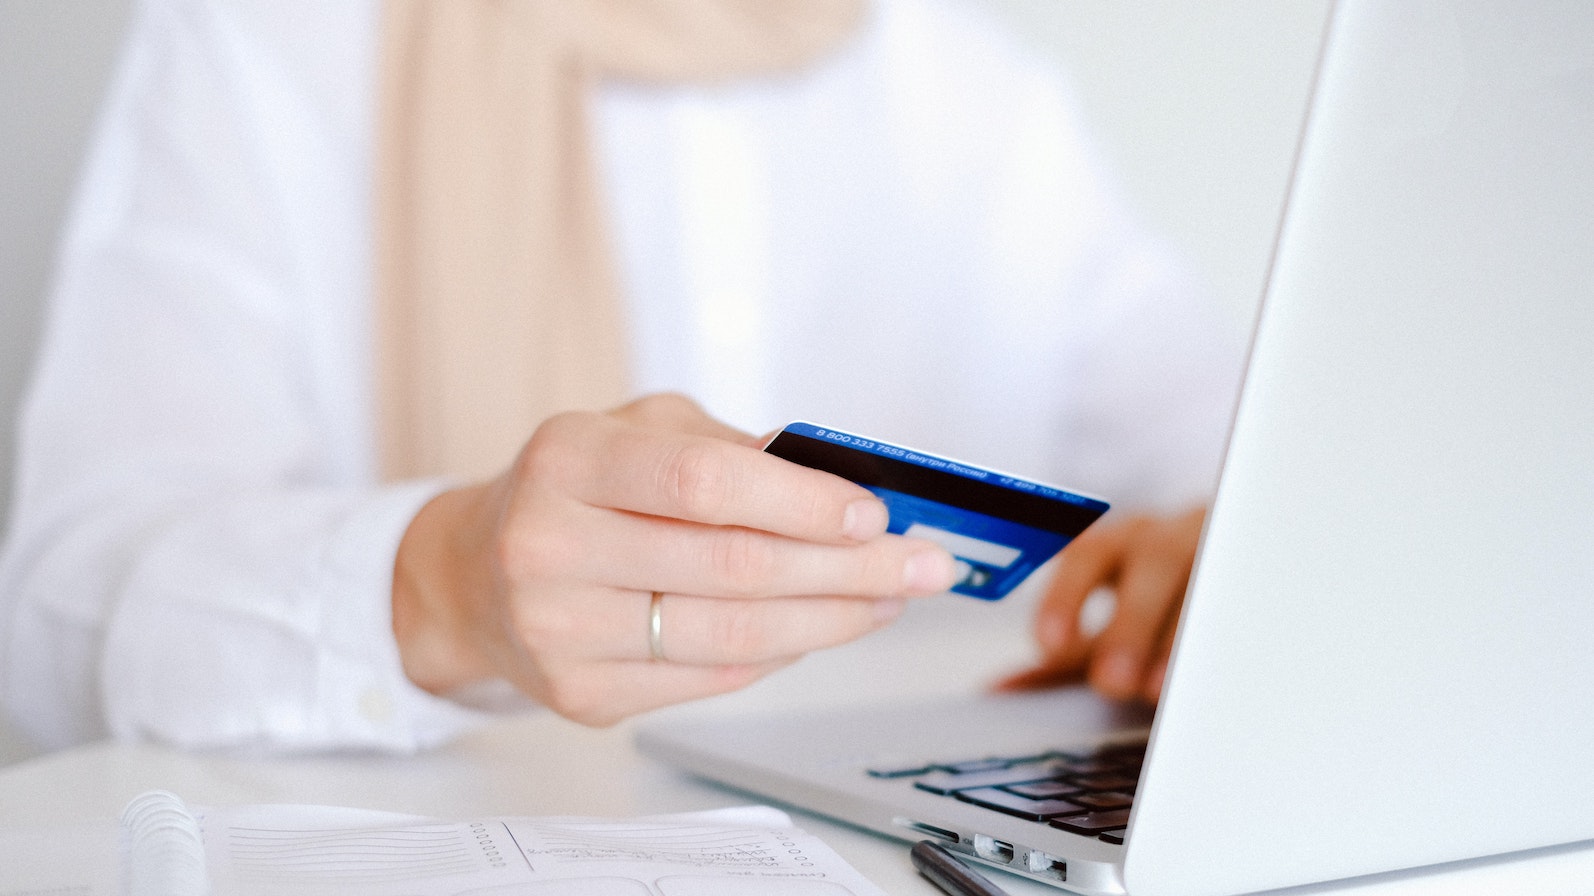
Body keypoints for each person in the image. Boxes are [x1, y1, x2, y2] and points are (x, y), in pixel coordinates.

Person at [0, 0, 1242, 754]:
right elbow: (57, 617)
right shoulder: (268, 41)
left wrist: (1226, 554)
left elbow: (1241, 454)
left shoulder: (981, 93)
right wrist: (435, 584)